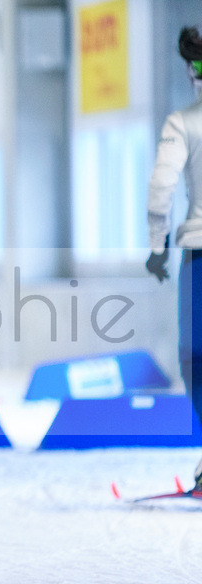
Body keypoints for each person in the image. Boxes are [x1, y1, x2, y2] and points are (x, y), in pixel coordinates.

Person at [146, 26, 202, 488]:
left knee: (195, 359)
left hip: (198, 254)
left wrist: (155, 245)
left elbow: (161, 188)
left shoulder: (182, 123)